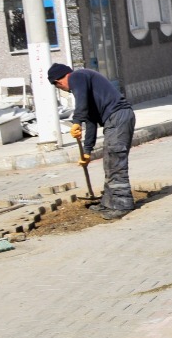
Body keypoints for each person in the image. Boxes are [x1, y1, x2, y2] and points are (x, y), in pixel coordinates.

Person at [48, 62, 135, 220]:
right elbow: (90, 122)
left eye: (60, 87)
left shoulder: (77, 76)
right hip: (115, 120)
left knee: (115, 163)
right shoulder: (86, 86)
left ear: (59, 82)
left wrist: (76, 121)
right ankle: (109, 203)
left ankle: (123, 204)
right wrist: (87, 151)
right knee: (109, 162)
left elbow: (81, 102)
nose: (65, 90)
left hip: (118, 117)